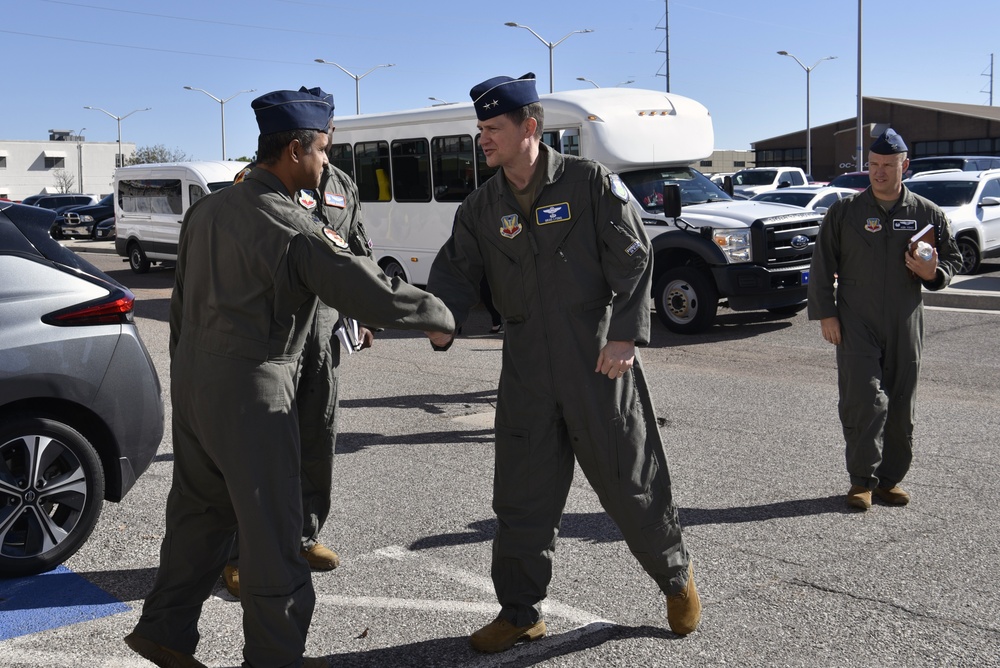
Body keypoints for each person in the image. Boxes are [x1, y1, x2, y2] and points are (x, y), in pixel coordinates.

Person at [124, 87, 455, 668]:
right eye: (322, 151)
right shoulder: (294, 226)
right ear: (296, 150)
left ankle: (164, 630)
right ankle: (275, 658)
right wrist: (437, 316)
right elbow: (363, 287)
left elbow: (180, 307)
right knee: (274, 532)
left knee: (199, 515)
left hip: (197, 383)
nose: (327, 163)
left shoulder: (206, 211)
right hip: (254, 391)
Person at [425, 72, 701, 654]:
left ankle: (675, 579)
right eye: (480, 130)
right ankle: (521, 612)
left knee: (633, 484)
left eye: (493, 128)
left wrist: (625, 335)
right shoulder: (481, 206)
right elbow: (454, 274)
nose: (484, 140)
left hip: (597, 363)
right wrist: (442, 321)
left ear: (530, 127)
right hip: (526, 370)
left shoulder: (590, 182)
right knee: (521, 498)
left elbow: (634, 256)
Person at [221, 130, 379, 597]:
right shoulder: (253, 182)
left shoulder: (342, 184)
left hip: (324, 331)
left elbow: (357, 248)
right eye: (321, 138)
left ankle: (303, 536)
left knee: (317, 435)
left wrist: (365, 313)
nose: (327, 147)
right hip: (274, 333)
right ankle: (237, 552)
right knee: (259, 448)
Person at [807, 128, 962, 511]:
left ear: (903, 166)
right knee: (864, 399)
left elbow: (954, 260)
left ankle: (889, 481)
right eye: (874, 165)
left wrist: (933, 274)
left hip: (905, 320)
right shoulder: (845, 212)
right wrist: (827, 313)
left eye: (888, 165)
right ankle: (861, 480)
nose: (879, 172)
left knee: (901, 402)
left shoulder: (927, 213)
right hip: (856, 319)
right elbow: (823, 264)